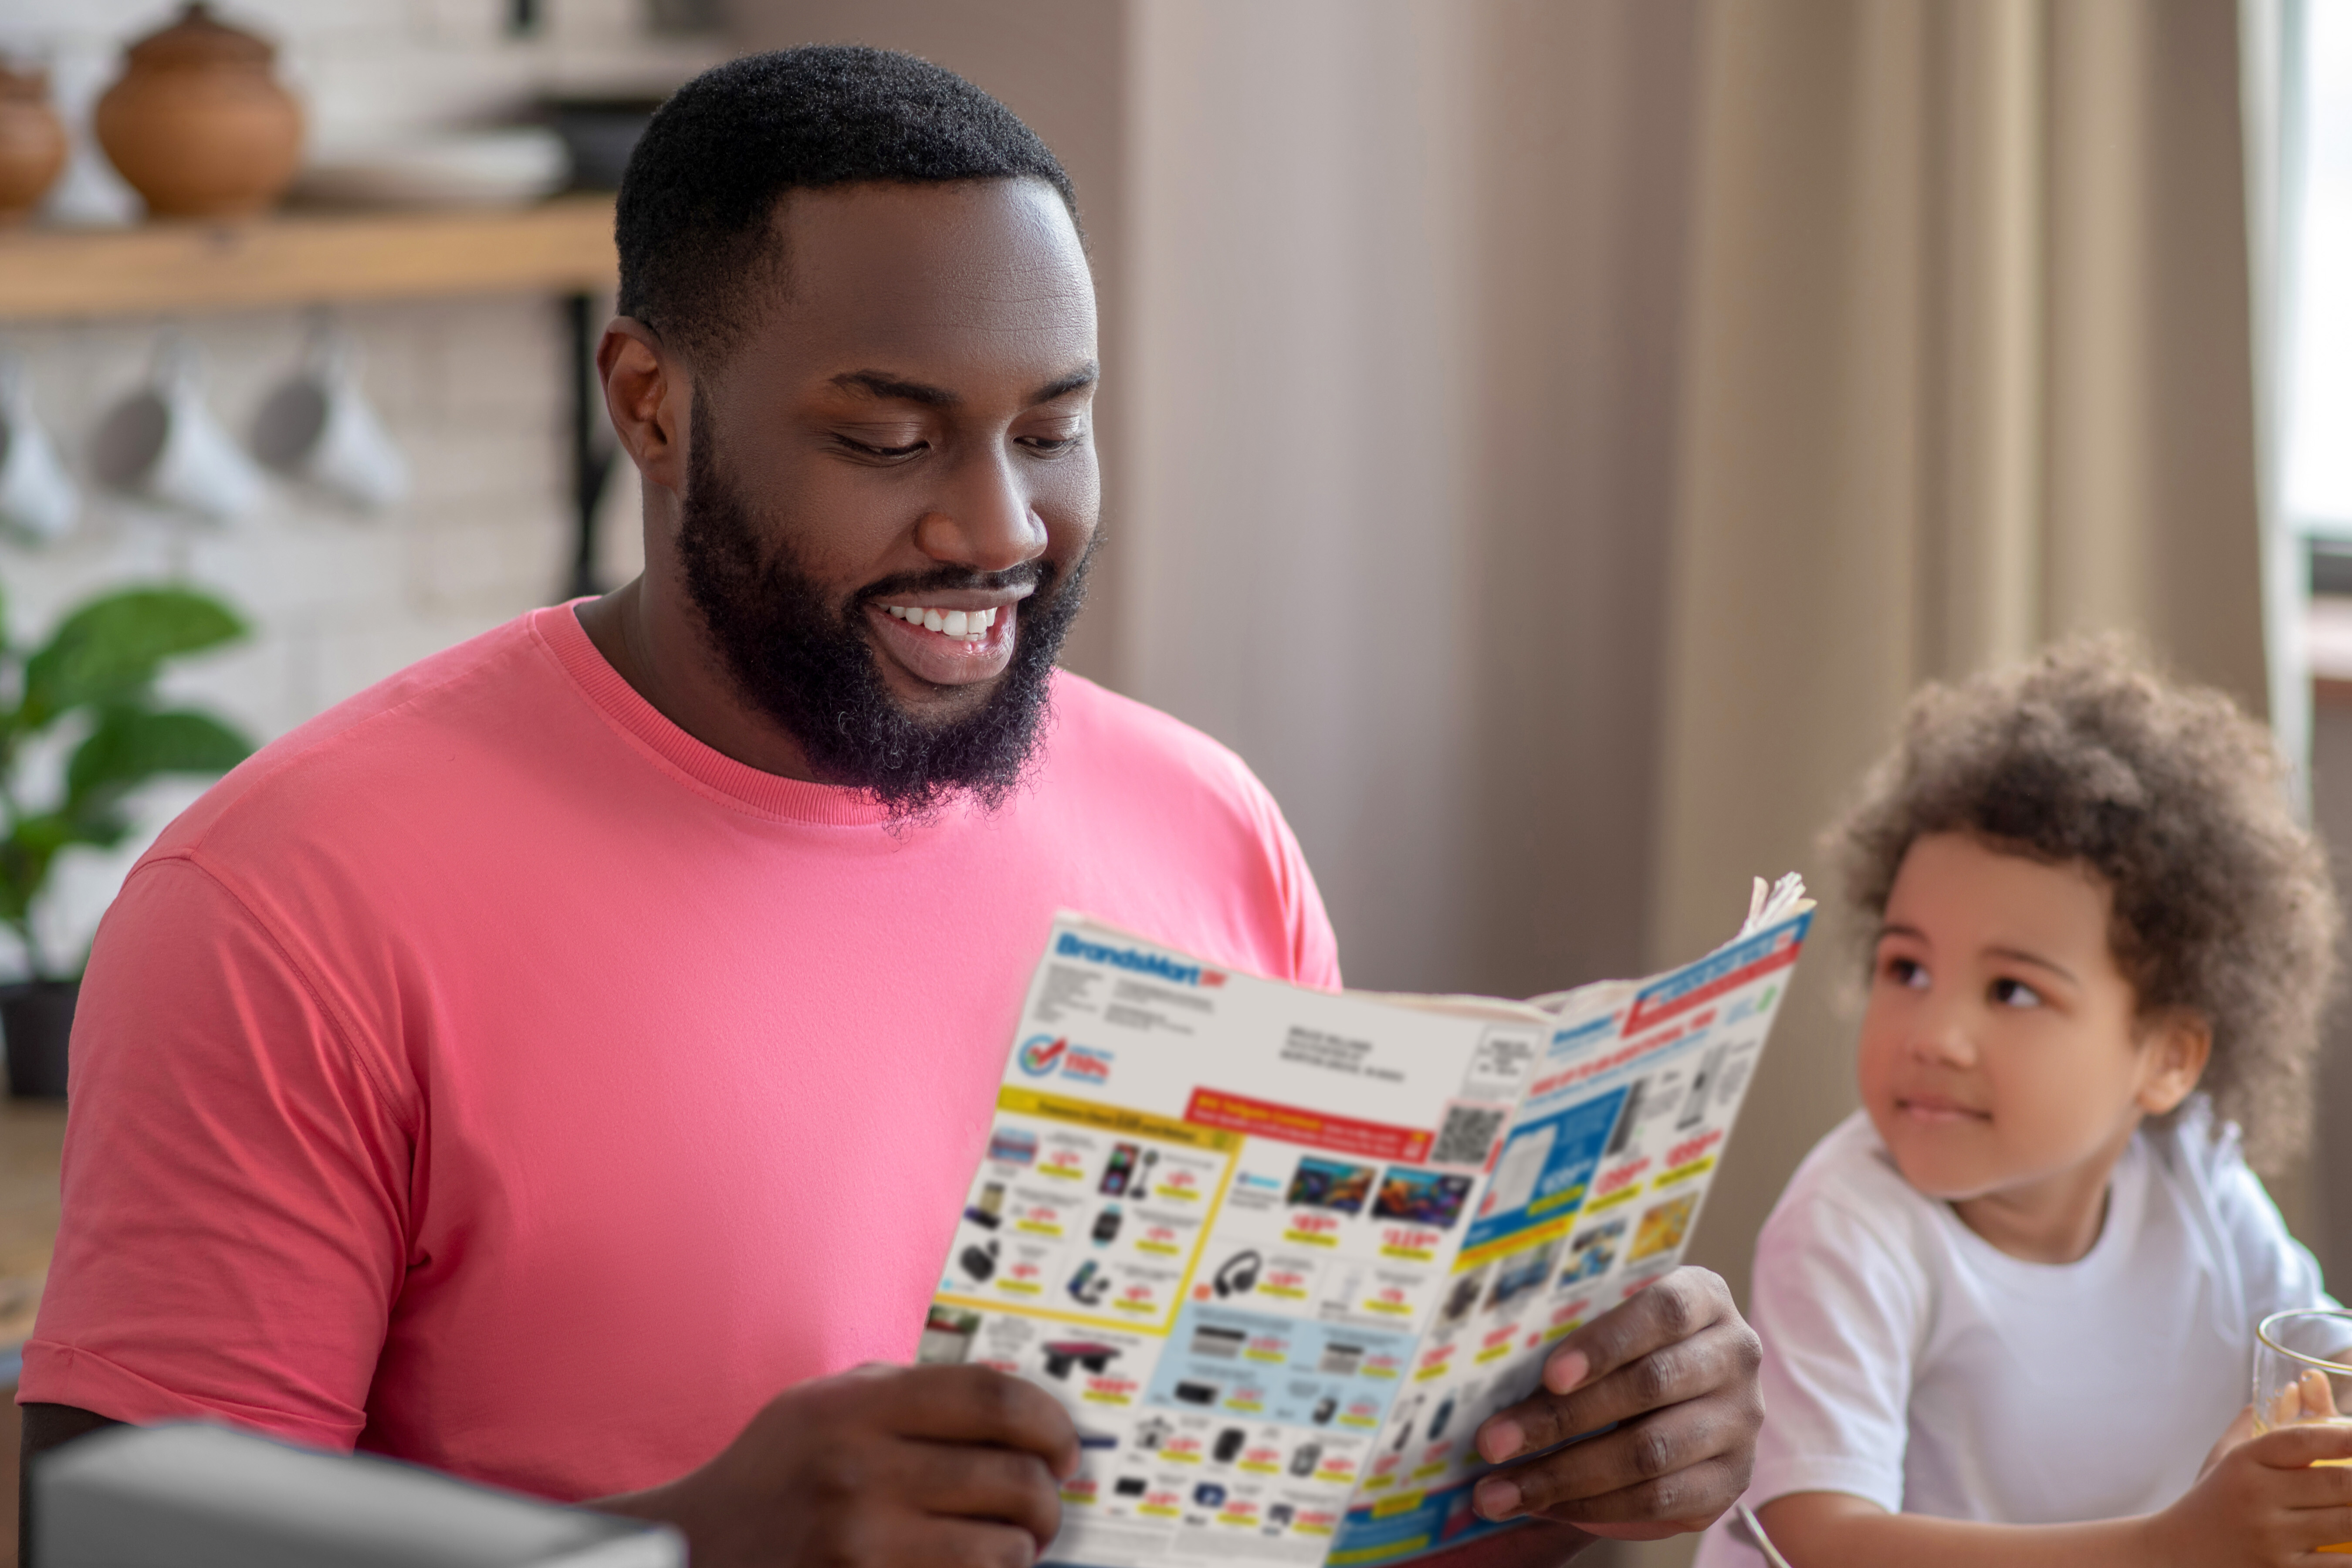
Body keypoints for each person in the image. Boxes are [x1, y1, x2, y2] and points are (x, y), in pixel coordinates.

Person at [20, 47, 1765, 1568]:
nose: (998, 525)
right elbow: (127, 1542)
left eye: (1054, 429)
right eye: (891, 440)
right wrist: (679, 1552)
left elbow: (1283, 1522)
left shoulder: (1204, 825)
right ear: (649, 401)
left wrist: (1563, 1468)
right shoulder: (290, 902)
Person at [1694, 640, 2347, 1568]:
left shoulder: (2195, 1173)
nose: (1934, 1034)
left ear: (2167, 1057)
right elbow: (1821, 1540)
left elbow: (2323, 1367)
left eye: (2011, 991)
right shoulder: (1848, 1225)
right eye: (1907, 968)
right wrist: (2172, 1547)